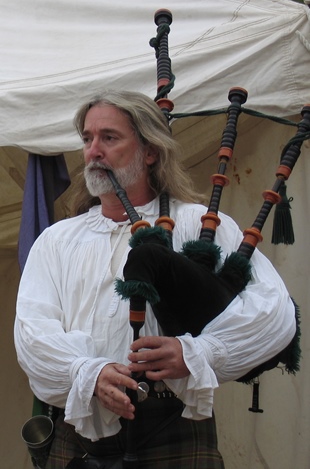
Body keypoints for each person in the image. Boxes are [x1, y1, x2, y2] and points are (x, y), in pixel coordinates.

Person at [15, 90, 296, 469]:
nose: (93, 151)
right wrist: (88, 373)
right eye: (87, 139)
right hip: (81, 424)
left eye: (109, 138)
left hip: (173, 421)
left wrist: (200, 352)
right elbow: (32, 333)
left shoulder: (198, 225)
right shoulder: (57, 240)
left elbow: (273, 312)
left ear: (150, 151)